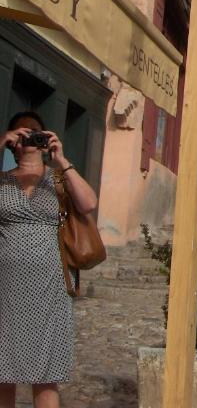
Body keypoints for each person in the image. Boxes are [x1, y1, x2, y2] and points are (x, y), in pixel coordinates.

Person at [1, 110, 99, 408]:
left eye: (35, 134)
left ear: (45, 141)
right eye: (21, 134)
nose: (28, 138)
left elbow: (89, 203)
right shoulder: (3, 180)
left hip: (50, 287)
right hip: (5, 288)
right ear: (13, 143)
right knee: (2, 370)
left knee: (45, 373)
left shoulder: (57, 178)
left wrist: (62, 160)